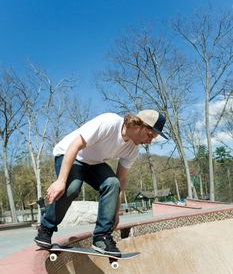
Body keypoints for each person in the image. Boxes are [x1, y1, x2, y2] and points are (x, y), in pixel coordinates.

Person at [34, 109, 168, 255]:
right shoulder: (109, 122)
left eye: (153, 138)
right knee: (72, 188)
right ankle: (45, 229)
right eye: (149, 135)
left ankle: (101, 237)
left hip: (93, 163)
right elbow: (74, 145)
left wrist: (115, 211)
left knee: (112, 183)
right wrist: (61, 181)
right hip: (69, 154)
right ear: (139, 125)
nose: (149, 141)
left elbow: (121, 179)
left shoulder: (133, 150)